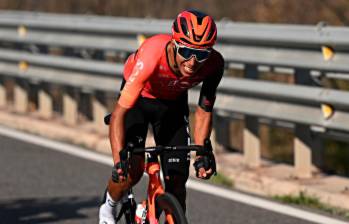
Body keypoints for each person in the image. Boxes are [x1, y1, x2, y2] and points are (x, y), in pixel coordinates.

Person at [99, 9, 225, 224]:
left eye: (201, 54)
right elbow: (119, 114)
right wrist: (118, 161)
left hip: (172, 105)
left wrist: (203, 150)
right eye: (186, 52)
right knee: (133, 170)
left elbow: (204, 110)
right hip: (138, 100)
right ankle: (108, 206)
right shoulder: (152, 54)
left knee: (177, 181)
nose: (193, 62)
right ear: (174, 43)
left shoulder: (214, 65)